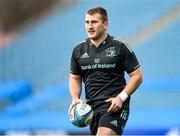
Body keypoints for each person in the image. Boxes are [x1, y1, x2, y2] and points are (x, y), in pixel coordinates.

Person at [68, 6, 143, 135]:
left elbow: (137, 76)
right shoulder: (78, 50)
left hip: (115, 106)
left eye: (94, 22)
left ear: (105, 24)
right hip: (91, 109)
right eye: (87, 22)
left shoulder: (120, 47)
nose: (89, 26)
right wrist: (75, 98)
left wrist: (121, 97)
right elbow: (75, 77)